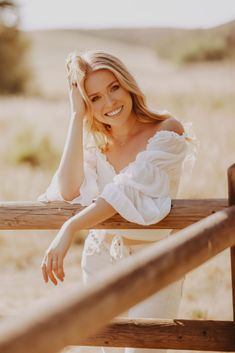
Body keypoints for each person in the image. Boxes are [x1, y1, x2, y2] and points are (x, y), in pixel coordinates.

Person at [38, 50, 196, 353]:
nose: (108, 103)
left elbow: (125, 189)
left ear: (128, 85)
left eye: (113, 88)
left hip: (155, 263)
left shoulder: (166, 131)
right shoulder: (97, 148)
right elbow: (68, 189)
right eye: (94, 98)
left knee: (144, 350)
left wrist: (70, 228)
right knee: (107, 349)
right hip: (101, 260)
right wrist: (75, 116)